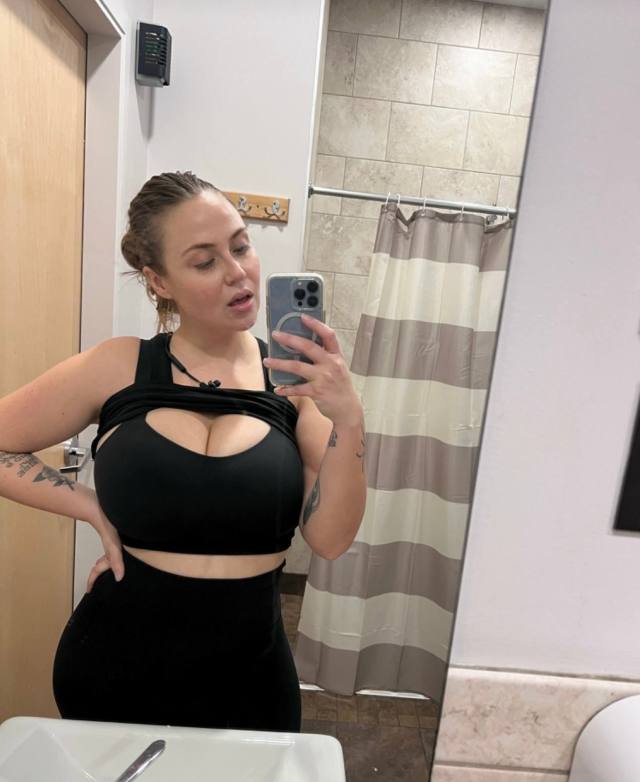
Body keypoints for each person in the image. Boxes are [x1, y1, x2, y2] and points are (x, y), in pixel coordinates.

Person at [0, 171, 367, 731]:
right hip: (113, 666)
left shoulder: (294, 385)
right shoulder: (117, 366)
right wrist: (89, 507)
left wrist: (349, 418)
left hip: (251, 680)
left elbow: (331, 539)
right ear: (159, 280)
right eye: (204, 261)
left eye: (241, 246)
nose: (237, 272)